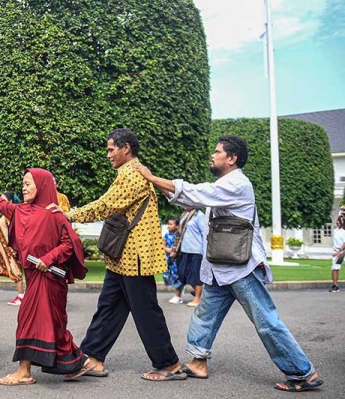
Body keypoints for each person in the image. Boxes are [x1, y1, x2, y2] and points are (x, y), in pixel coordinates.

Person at [134, 135, 323, 392]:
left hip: (241, 267)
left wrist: (152, 177)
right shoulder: (224, 185)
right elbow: (190, 200)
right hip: (221, 266)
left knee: (266, 321)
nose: (212, 155)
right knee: (205, 315)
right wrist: (158, 184)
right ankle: (198, 361)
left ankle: (303, 373)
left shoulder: (237, 184)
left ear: (232, 158)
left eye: (217, 151)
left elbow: (198, 192)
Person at [50, 128, 183, 381]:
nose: (108, 154)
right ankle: (93, 357)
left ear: (126, 149)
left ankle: (169, 364)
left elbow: (106, 205)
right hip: (123, 257)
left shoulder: (133, 174)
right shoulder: (127, 173)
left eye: (111, 149)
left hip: (135, 257)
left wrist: (69, 214)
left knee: (146, 312)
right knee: (108, 308)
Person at [0, 169, 88, 386]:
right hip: (32, 277)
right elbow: (2, 205)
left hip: (50, 279)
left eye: (28, 184)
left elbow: (71, 244)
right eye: (22, 183)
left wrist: (48, 258)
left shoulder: (54, 214)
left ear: (41, 186)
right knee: (54, 325)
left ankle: (24, 372)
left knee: (28, 319)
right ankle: (75, 363)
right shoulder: (22, 210)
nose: (23, 187)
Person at [0, 191, 25, 306]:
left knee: (15, 271)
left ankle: (21, 296)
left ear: (10, 202)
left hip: (10, 249)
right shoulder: (3, 215)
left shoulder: (12, 213)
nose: (0, 202)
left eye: (3, 199)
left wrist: (16, 248)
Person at [175, 207, 206, 307]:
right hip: (184, 249)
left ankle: (197, 298)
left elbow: (205, 233)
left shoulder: (200, 216)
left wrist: (204, 252)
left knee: (195, 276)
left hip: (196, 250)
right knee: (182, 274)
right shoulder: (185, 215)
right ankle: (201, 293)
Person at [163, 217, 184, 304]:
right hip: (169, 259)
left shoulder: (179, 236)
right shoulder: (167, 235)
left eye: (171, 224)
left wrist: (172, 250)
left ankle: (178, 296)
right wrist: (168, 250)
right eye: (168, 224)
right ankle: (178, 293)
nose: (169, 226)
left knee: (176, 276)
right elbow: (163, 245)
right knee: (169, 275)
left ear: (177, 226)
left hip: (177, 259)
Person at [330, 215, 345, 293]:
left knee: (336, 268)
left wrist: (339, 251)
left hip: (341, 252)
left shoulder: (344, 231)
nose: (337, 222)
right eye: (337, 220)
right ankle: (335, 285)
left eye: (339, 220)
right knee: (335, 268)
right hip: (336, 251)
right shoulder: (335, 230)